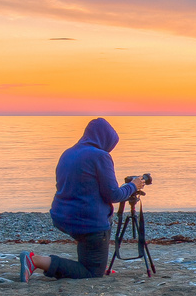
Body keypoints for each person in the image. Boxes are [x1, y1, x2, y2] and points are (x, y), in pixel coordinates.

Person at [19, 118, 144, 281]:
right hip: (87, 222)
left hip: (62, 217)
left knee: (93, 241)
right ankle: (35, 260)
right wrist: (134, 186)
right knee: (92, 273)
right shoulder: (101, 156)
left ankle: (97, 261)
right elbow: (114, 195)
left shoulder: (68, 153)